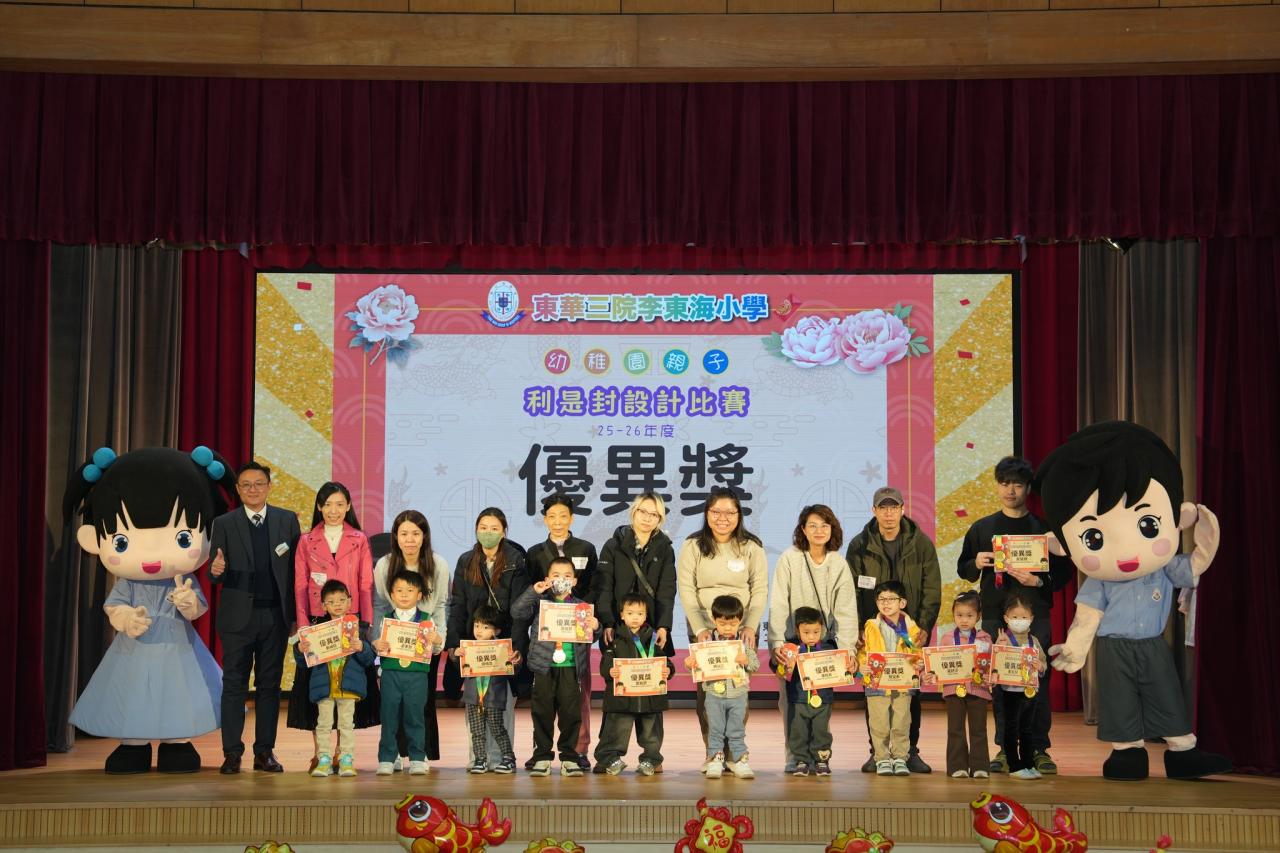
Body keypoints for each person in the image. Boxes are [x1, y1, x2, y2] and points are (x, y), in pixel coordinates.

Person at [1035, 421, 1231, 781]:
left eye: (1149, 526)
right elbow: (1087, 617)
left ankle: (1183, 751)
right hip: (1113, 647)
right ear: (1061, 544)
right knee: (1118, 696)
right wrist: (1076, 649)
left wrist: (1205, 530)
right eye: (1093, 538)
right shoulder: (1099, 581)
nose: (1126, 553)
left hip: (1152, 644)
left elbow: (1194, 567)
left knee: (1165, 691)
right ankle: (1127, 752)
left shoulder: (1164, 568)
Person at [65, 446, 232, 774]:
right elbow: (114, 605)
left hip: (177, 648)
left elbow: (197, 608)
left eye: (183, 538)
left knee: (177, 694)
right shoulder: (128, 583)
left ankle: (176, 743)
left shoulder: (182, 579)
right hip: (134, 649)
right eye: (122, 542)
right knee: (133, 693)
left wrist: (188, 602)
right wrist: (126, 618)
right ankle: (134, 745)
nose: (153, 557)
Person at [956, 456, 1073, 775]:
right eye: (1005, 483)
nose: (1010, 490)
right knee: (1001, 683)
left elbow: (1065, 573)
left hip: (1036, 618)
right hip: (996, 618)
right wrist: (976, 562)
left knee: (1037, 682)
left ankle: (1038, 748)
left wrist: (1039, 581)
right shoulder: (982, 528)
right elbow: (964, 568)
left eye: (1017, 484)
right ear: (997, 487)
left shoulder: (1044, 530)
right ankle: (1005, 749)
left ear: (1028, 489)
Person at [209, 459, 300, 775]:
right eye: (246, 485)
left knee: (269, 686)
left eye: (259, 483)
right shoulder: (224, 523)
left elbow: (295, 572)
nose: (253, 489)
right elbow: (216, 572)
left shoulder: (287, 520)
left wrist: (296, 616)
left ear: (269, 486)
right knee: (234, 684)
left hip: (275, 617)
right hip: (237, 619)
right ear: (237, 489)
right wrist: (215, 570)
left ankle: (264, 753)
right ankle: (231, 753)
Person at [846, 486, 940, 773]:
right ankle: (877, 753)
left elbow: (931, 588)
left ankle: (909, 752)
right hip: (873, 632)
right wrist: (857, 628)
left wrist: (924, 626)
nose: (889, 513)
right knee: (874, 692)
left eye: (894, 507)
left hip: (908, 633)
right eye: (883, 508)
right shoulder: (860, 545)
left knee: (909, 693)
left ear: (902, 510)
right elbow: (851, 591)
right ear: (874, 511)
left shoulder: (921, 544)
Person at [288, 482, 378, 767]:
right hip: (318, 619)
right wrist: (303, 625)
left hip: (351, 619)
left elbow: (366, 583)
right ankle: (320, 752)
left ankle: (342, 752)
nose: (334, 510)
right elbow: (300, 585)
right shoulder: (306, 540)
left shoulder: (359, 539)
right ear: (319, 507)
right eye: (327, 505)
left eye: (340, 504)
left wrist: (366, 622)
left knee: (346, 687)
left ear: (348, 506)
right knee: (319, 689)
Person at [677, 487, 767, 762]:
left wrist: (750, 626)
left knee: (737, 692)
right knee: (708, 695)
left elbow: (759, 589)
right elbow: (686, 589)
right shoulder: (693, 545)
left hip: (741, 630)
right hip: (705, 630)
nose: (722, 518)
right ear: (707, 514)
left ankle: (734, 753)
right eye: (716, 512)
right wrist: (701, 629)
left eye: (730, 512)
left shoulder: (751, 546)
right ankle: (713, 751)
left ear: (739, 515)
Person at [768, 504, 858, 772]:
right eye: (813, 525)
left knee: (821, 703)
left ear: (832, 529)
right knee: (791, 703)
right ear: (803, 530)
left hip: (823, 647)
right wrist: (776, 643)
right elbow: (779, 602)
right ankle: (795, 757)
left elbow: (846, 609)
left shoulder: (838, 563)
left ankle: (819, 757)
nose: (819, 531)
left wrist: (848, 650)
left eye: (825, 525)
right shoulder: (790, 558)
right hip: (792, 646)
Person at [445, 507, 530, 769]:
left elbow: (521, 610)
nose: (488, 533)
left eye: (494, 528)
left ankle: (503, 758)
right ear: (476, 530)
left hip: (503, 647)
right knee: (475, 704)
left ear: (504, 532)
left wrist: (516, 649)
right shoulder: (466, 560)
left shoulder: (516, 560)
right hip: (475, 646)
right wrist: (454, 645)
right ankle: (478, 759)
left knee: (501, 707)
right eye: (483, 527)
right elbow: (458, 605)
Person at [524, 494, 599, 771]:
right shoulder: (535, 552)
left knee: (577, 701)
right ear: (545, 519)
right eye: (552, 516)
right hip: (545, 640)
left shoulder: (586, 548)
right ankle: (542, 753)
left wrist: (585, 618)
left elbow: (594, 588)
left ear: (572, 518)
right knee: (543, 706)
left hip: (575, 633)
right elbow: (530, 596)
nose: (558, 521)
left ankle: (577, 751)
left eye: (563, 516)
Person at [372, 509, 449, 771]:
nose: (410, 539)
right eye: (404, 533)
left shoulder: (438, 564)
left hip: (424, 644)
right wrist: (377, 640)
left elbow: (440, 606)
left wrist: (438, 641)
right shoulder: (384, 565)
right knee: (392, 704)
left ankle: (419, 754)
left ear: (424, 535)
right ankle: (392, 753)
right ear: (395, 536)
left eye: (415, 533)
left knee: (419, 703)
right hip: (393, 645)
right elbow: (380, 605)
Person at [511, 556, 600, 777]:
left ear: (575, 581)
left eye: (567, 576)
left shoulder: (581, 607)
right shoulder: (540, 602)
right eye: (556, 575)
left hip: (571, 667)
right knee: (542, 713)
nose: (562, 579)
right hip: (544, 667)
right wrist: (534, 591)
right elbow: (517, 612)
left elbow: (592, 635)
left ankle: (569, 757)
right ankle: (541, 756)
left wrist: (596, 627)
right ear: (547, 579)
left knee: (571, 714)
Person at [292, 580, 376, 778]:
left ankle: (346, 759)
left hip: (348, 687)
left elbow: (368, 659)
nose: (337, 604)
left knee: (346, 725)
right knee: (323, 724)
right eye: (331, 601)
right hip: (324, 687)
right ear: (323, 606)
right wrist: (300, 649)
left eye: (341, 600)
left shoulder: (358, 629)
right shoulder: (316, 631)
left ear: (350, 602)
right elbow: (304, 663)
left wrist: (362, 647)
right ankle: (324, 760)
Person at [594, 593, 672, 776]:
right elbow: (605, 663)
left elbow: (665, 661)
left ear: (646, 616)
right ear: (622, 615)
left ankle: (650, 760)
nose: (635, 617)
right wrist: (610, 671)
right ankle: (609, 759)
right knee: (616, 730)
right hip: (621, 699)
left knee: (651, 734)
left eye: (640, 613)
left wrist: (668, 670)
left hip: (650, 698)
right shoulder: (614, 639)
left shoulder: (653, 639)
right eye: (630, 613)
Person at [857, 580, 927, 776]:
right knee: (879, 723)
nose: (885, 603)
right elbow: (862, 652)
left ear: (902, 603)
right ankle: (881, 759)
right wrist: (862, 665)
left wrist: (919, 663)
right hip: (876, 682)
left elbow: (916, 652)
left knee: (901, 722)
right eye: (881, 599)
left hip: (903, 683)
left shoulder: (911, 628)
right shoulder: (870, 626)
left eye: (891, 599)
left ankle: (900, 758)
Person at [685, 594, 758, 780]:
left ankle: (739, 760)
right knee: (715, 729)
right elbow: (696, 666)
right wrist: (689, 663)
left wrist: (746, 660)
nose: (727, 628)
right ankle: (715, 760)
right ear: (713, 620)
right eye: (722, 623)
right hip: (713, 695)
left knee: (737, 730)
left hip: (738, 695)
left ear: (740, 620)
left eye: (732, 624)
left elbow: (755, 665)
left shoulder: (743, 644)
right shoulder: (705, 643)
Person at [373, 570, 435, 775]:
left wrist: (436, 640)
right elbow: (379, 645)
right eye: (399, 590)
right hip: (391, 674)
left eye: (410, 590)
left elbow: (434, 648)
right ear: (392, 594)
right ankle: (387, 758)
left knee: (415, 717)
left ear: (419, 595)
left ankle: (417, 758)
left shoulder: (426, 620)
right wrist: (377, 644)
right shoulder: (386, 619)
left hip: (417, 676)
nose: (404, 595)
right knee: (389, 716)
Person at [926, 591, 993, 779]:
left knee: (978, 729)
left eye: (969, 615)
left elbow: (990, 665)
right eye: (959, 615)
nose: (964, 620)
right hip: (953, 689)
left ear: (978, 616)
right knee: (955, 729)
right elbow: (939, 664)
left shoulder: (985, 638)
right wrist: (931, 674)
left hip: (978, 690)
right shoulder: (947, 638)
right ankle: (957, 766)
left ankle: (980, 766)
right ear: (953, 615)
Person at [992, 590, 1048, 780]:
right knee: (1011, 728)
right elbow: (995, 663)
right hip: (1010, 692)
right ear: (1006, 618)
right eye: (1015, 617)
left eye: (1024, 617)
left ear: (1031, 619)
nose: (1019, 621)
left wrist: (1040, 666)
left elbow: (1043, 663)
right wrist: (1000, 646)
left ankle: (1028, 764)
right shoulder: (1003, 638)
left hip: (1030, 691)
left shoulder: (1034, 641)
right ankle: (1014, 766)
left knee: (1027, 729)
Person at [779, 607, 839, 777]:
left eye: (816, 632)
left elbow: (841, 669)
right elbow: (779, 670)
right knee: (798, 731)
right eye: (806, 632)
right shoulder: (791, 649)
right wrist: (784, 665)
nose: (812, 637)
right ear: (797, 631)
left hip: (823, 699)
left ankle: (821, 760)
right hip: (798, 699)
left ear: (822, 629)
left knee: (821, 731)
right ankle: (801, 761)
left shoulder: (829, 647)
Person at [462, 604, 521, 774]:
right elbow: (463, 668)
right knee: (476, 731)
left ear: (497, 630)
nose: (479, 630)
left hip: (494, 696)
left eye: (485, 627)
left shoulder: (503, 648)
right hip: (473, 697)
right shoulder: (468, 647)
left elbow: (513, 668)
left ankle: (508, 758)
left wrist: (515, 661)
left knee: (497, 729)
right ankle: (480, 760)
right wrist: (458, 655)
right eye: (476, 625)